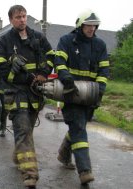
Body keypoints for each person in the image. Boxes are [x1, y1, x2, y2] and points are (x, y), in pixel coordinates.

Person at [0, 5, 55, 188]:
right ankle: (30, 174)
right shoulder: (5, 41)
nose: (22, 20)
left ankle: (19, 154)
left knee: (27, 130)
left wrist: (43, 73)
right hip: (15, 92)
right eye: (18, 17)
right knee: (23, 129)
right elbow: (1, 69)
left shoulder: (38, 37)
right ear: (11, 20)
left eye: (24, 16)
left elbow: (51, 56)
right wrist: (20, 72)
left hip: (35, 92)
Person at [54, 10, 110, 184]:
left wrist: (99, 90)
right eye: (88, 25)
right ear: (80, 25)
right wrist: (67, 79)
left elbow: (104, 70)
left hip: (90, 95)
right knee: (79, 128)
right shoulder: (66, 41)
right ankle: (85, 170)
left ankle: (63, 154)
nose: (92, 29)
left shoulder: (100, 45)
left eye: (94, 25)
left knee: (79, 125)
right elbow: (59, 63)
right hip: (70, 92)